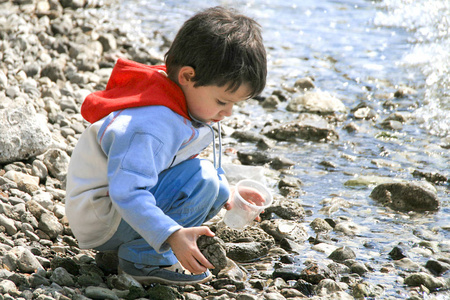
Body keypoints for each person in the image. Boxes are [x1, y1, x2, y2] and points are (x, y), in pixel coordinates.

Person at [65, 6, 267, 285]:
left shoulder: (181, 101)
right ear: (187, 76)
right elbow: (127, 191)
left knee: (215, 186)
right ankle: (142, 259)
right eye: (223, 101)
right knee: (204, 180)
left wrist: (228, 195)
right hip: (103, 218)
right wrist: (171, 234)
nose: (228, 113)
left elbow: (171, 165)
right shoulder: (151, 126)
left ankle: (131, 249)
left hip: (113, 210)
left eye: (235, 104)